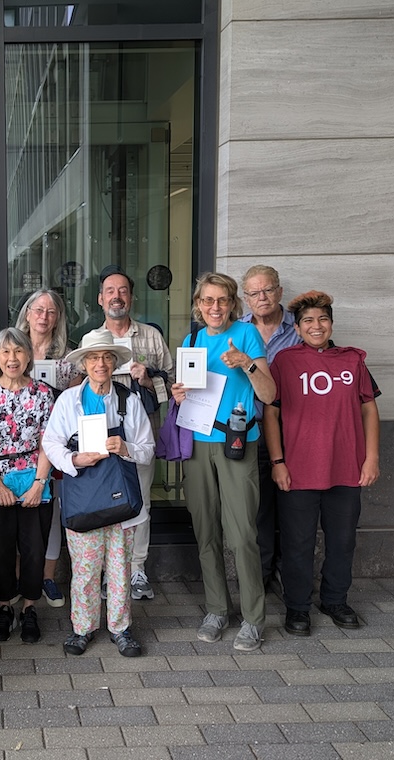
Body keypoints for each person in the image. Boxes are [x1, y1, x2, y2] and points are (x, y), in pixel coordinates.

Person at [262, 291, 381, 636]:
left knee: (342, 540)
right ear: (297, 328)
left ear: (331, 324)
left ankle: (335, 599)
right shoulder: (284, 361)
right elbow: (272, 413)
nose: (317, 326)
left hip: (347, 467)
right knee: (297, 543)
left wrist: (371, 457)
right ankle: (297, 607)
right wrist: (277, 461)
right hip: (298, 470)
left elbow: (369, 408)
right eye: (308, 321)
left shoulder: (352, 361)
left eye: (323, 319)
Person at [170, 272, 276, 652]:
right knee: (206, 532)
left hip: (236, 443)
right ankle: (217, 609)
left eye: (222, 300)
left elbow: (269, 392)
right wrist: (178, 393)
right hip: (197, 445)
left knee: (243, 533)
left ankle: (253, 618)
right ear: (198, 305)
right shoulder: (192, 340)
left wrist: (247, 364)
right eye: (207, 301)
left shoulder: (246, 336)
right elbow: (186, 392)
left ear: (233, 303)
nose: (215, 307)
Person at [42, 328, 155, 658]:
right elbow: (50, 443)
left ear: (114, 362)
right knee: (86, 570)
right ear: (85, 364)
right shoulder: (69, 400)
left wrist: (126, 447)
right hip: (83, 498)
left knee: (120, 568)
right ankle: (82, 628)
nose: (100, 364)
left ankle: (121, 629)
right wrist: (74, 459)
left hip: (121, 501)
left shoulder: (127, 400)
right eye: (93, 358)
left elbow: (148, 449)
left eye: (106, 357)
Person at [0, 328, 56, 643]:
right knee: (0, 547)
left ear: (29, 355)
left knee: (34, 547)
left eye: (18, 351)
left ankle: (30, 607)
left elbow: (50, 442)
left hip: (35, 477)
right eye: (5, 352)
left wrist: (38, 483)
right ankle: (5, 607)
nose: (12, 358)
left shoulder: (43, 393)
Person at [98, 270, 174, 601]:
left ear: (131, 297)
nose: (117, 296)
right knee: (104, 502)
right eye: (110, 291)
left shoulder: (152, 338)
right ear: (101, 299)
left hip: (142, 433)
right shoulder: (92, 340)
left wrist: (147, 381)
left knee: (140, 502)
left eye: (123, 291)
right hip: (102, 436)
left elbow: (174, 386)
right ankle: (106, 571)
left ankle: (137, 568)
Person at [239, 265, 302, 594]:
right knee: (259, 508)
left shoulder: (301, 329)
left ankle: (290, 575)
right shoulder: (238, 332)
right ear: (245, 298)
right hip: (252, 429)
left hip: (294, 429)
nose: (261, 298)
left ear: (279, 292)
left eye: (267, 290)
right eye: (254, 293)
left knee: (294, 506)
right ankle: (262, 576)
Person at [13, 289, 78, 608]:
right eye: (38, 310)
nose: (44, 316)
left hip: (56, 444)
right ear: (27, 313)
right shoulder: (11, 350)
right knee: (19, 513)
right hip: (18, 448)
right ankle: (20, 579)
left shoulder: (68, 357)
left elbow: (77, 400)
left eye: (51, 312)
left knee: (51, 515)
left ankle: (48, 577)